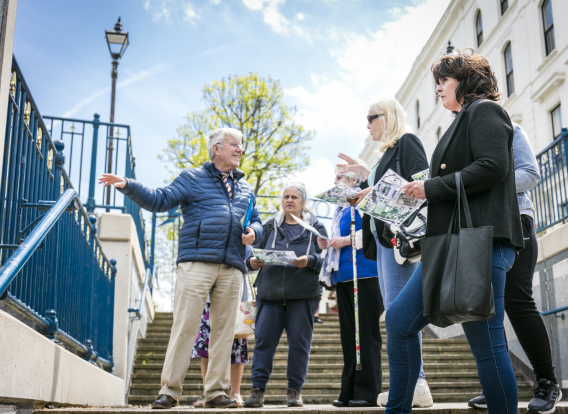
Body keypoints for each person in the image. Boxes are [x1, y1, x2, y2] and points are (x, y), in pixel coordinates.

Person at [387, 48, 524, 414]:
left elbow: (493, 166)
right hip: (453, 246)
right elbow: (455, 174)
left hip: (482, 243)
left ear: (464, 79)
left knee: (488, 347)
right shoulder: (462, 118)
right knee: (400, 323)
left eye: (442, 80)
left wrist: (431, 187)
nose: (438, 89)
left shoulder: (484, 110)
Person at [98, 127, 262, 409]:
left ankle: (216, 393)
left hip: (233, 266)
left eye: (241, 145)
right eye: (234, 145)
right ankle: (170, 391)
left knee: (224, 331)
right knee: (185, 326)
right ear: (217, 148)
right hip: (197, 261)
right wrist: (128, 184)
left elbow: (257, 219)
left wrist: (254, 233)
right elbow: (160, 199)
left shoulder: (246, 187)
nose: (240, 150)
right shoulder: (193, 178)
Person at [338, 97, 433, 408]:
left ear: (387, 116)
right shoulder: (386, 154)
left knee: (397, 314)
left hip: (397, 241)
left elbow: (421, 186)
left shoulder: (408, 142)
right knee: (395, 314)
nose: (367, 125)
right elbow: (386, 187)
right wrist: (367, 178)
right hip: (381, 241)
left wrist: (371, 192)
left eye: (371, 117)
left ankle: (414, 383)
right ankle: (413, 382)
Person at [468, 123, 562, 413]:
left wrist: (483, 184)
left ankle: (547, 382)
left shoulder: (508, 128)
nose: (439, 89)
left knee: (517, 300)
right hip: (478, 228)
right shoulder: (464, 136)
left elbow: (530, 174)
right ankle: (495, 382)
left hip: (514, 218)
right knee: (484, 305)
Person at [243, 182, 327, 408]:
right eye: (286, 196)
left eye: (295, 197)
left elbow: (328, 261)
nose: (289, 200)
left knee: (299, 344)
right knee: (263, 343)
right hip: (269, 295)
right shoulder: (269, 226)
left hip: (304, 295)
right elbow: (249, 259)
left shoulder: (316, 228)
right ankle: (257, 391)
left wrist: (309, 261)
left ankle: (294, 391)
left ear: (303, 202)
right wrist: (252, 262)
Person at [317, 167, 383, 408]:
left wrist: (345, 240)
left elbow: (374, 231)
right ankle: (349, 390)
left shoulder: (364, 200)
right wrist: (329, 242)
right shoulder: (341, 209)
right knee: (349, 337)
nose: (334, 182)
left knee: (365, 335)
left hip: (365, 274)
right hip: (343, 276)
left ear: (354, 181)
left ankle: (368, 392)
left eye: (339, 178)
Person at [192, 272, 252, 408]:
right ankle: (207, 392)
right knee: (206, 346)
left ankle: (235, 392)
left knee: (237, 345)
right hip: (208, 298)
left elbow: (250, 260)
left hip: (236, 298)